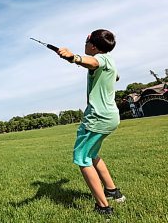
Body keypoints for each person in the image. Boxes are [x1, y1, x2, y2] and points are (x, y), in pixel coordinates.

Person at [57, 29, 125, 216]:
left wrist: (73, 57)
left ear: (93, 46)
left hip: (97, 117)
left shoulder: (100, 60)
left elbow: (93, 61)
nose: (84, 44)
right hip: (111, 117)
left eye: (86, 41)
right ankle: (112, 191)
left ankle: (103, 207)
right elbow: (112, 74)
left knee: (82, 158)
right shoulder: (111, 62)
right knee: (93, 154)